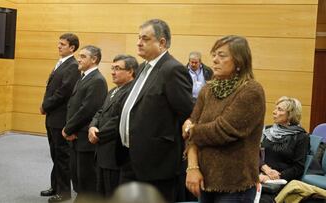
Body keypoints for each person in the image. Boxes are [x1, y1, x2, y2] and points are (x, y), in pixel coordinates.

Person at [118, 19, 194, 202]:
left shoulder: (172, 70)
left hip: (157, 163)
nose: (138, 42)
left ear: (161, 42)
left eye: (145, 38)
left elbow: (188, 113)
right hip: (131, 155)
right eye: (138, 38)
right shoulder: (144, 66)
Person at [183, 35, 266, 203]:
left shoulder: (251, 91)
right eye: (214, 54)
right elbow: (192, 134)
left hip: (235, 185)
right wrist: (192, 168)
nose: (214, 60)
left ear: (239, 61)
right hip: (204, 180)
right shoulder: (208, 89)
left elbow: (222, 131)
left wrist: (191, 129)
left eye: (222, 55)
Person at [88, 54, 138, 197]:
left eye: (117, 68)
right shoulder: (113, 91)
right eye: (112, 68)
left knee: (112, 194)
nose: (112, 72)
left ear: (130, 71)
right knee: (102, 192)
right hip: (102, 151)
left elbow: (119, 120)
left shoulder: (131, 92)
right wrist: (92, 127)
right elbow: (100, 111)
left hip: (114, 153)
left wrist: (98, 135)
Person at [62, 45, 108, 201]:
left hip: (84, 137)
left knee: (87, 177)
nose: (78, 60)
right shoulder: (84, 76)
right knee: (77, 175)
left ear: (94, 59)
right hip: (76, 135)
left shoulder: (97, 80)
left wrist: (68, 128)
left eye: (83, 56)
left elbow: (87, 110)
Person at [40, 33, 80, 203]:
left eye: (62, 44)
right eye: (59, 43)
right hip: (52, 117)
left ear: (72, 48)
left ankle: (63, 193)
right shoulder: (62, 63)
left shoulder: (72, 65)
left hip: (60, 117)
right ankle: (55, 186)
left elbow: (63, 92)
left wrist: (45, 105)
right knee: (55, 154)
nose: (59, 46)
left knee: (62, 156)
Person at [259, 96, 309, 202]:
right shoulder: (267, 130)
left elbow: (298, 167)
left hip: (280, 181)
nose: (274, 112)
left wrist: (275, 176)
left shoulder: (301, 137)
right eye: (275, 108)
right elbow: (255, 154)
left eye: (279, 109)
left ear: (291, 115)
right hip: (259, 175)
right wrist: (265, 169)